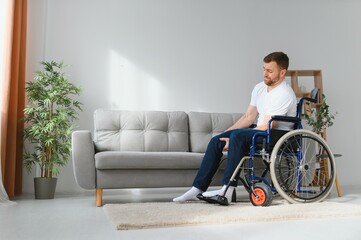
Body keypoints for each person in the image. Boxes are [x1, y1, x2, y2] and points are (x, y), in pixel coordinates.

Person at [173, 51, 297, 203]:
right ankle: (197, 188)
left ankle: (227, 190)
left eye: (270, 71)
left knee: (237, 137)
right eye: (264, 69)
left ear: (282, 72)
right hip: (262, 131)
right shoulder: (259, 88)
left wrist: (235, 136)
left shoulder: (284, 93)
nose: (265, 73)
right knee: (217, 140)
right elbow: (249, 117)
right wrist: (227, 133)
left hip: (277, 135)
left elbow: (267, 125)